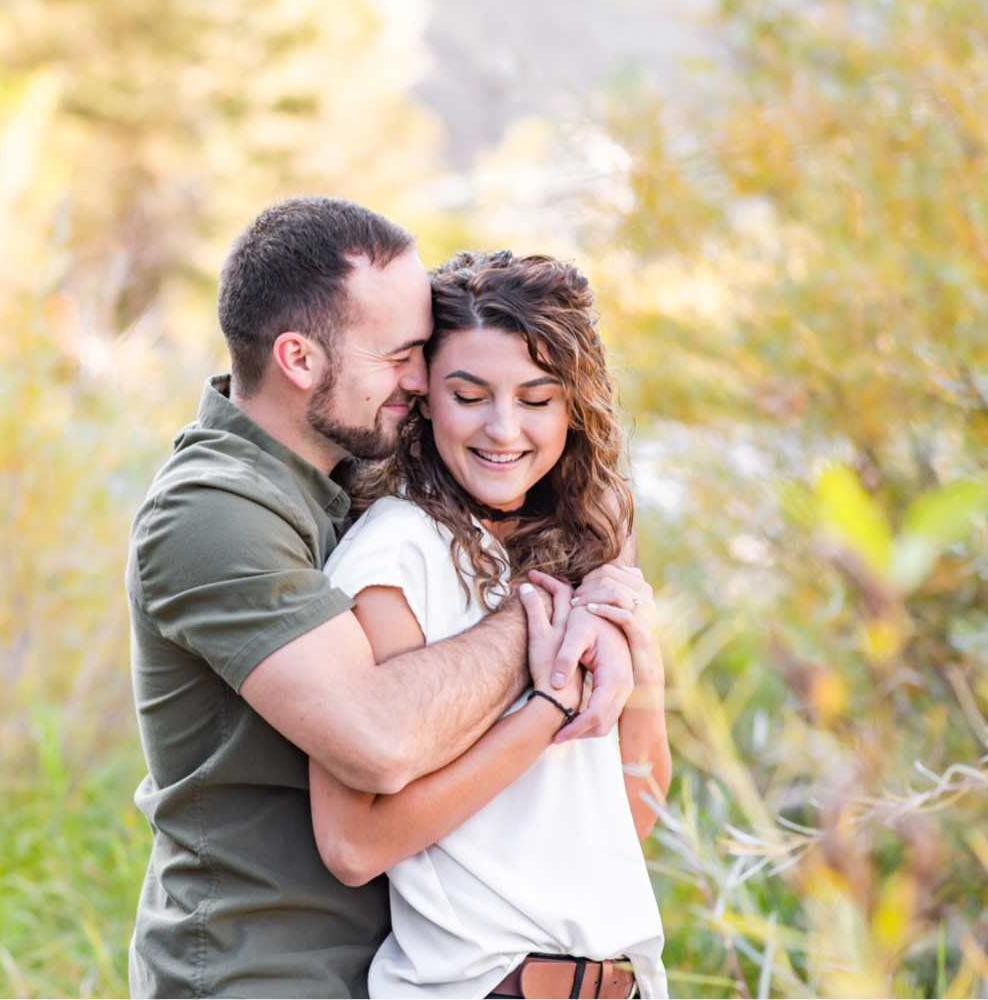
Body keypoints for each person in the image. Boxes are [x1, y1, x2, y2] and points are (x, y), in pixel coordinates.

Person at [126, 197, 638, 998]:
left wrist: (606, 593)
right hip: (260, 973)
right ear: (299, 359)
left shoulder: (343, 477)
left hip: (377, 971)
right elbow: (377, 740)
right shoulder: (215, 512)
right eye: (401, 354)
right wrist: (548, 611)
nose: (420, 380)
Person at [311, 250, 670, 999]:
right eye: (469, 395)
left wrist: (644, 666)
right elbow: (355, 844)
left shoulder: (581, 547)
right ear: (425, 399)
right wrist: (546, 710)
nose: (503, 429)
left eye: (537, 399)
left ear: (575, 407)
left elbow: (632, 820)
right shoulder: (396, 553)